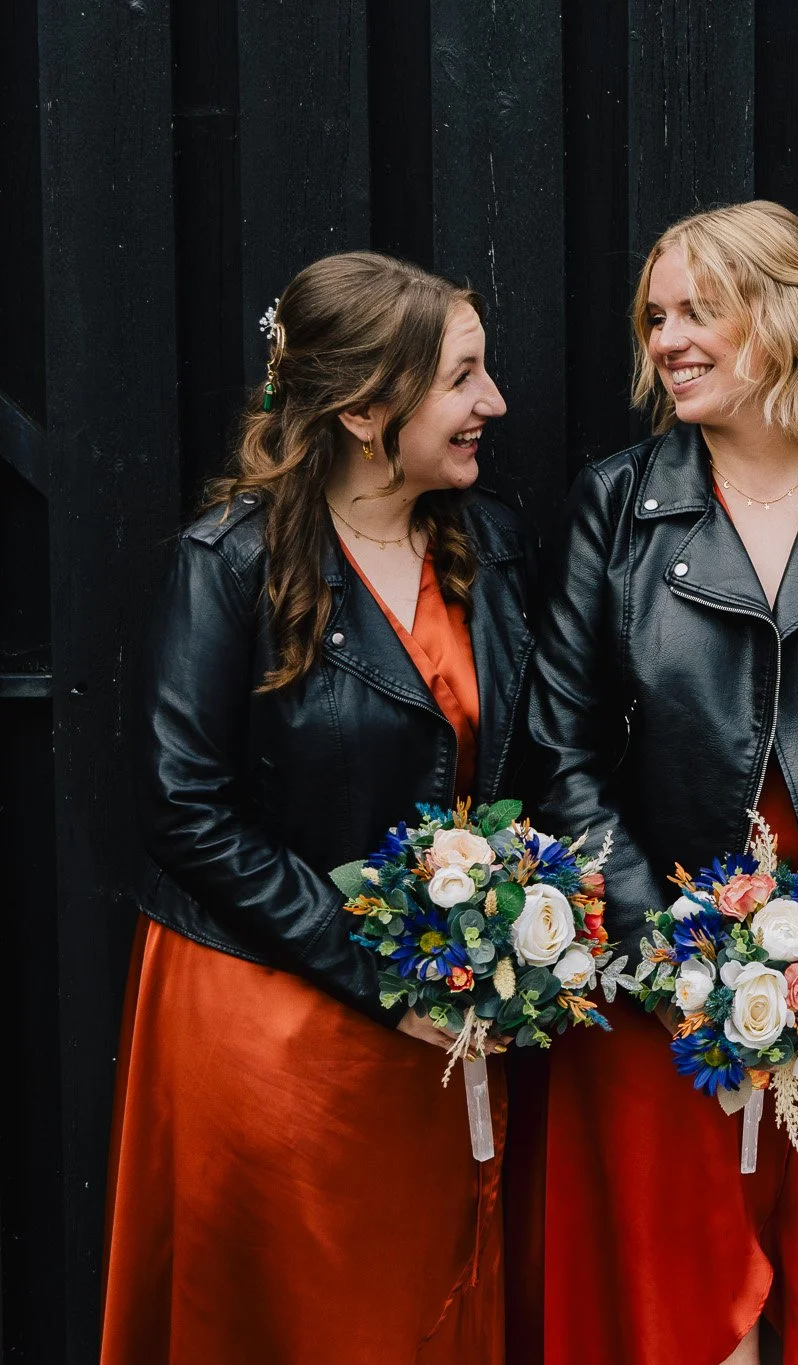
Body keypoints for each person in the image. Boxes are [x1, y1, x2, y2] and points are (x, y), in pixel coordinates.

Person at [525, 200, 798, 1365]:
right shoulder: (617, 505)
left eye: (699, 310)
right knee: (679, 1303)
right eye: (656, 316)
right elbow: (556, 746)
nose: (667, 340)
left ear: (786, 317)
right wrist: (659, 946)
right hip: (651, 973)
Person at [103, 251, 523, 1363]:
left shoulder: (487, 548)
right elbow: (183, 806)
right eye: (463, 379)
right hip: (272, 1015)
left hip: (443, 1016)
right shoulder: (230, 562)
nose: (494, 405)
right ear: (366, 410)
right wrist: (377, 965)